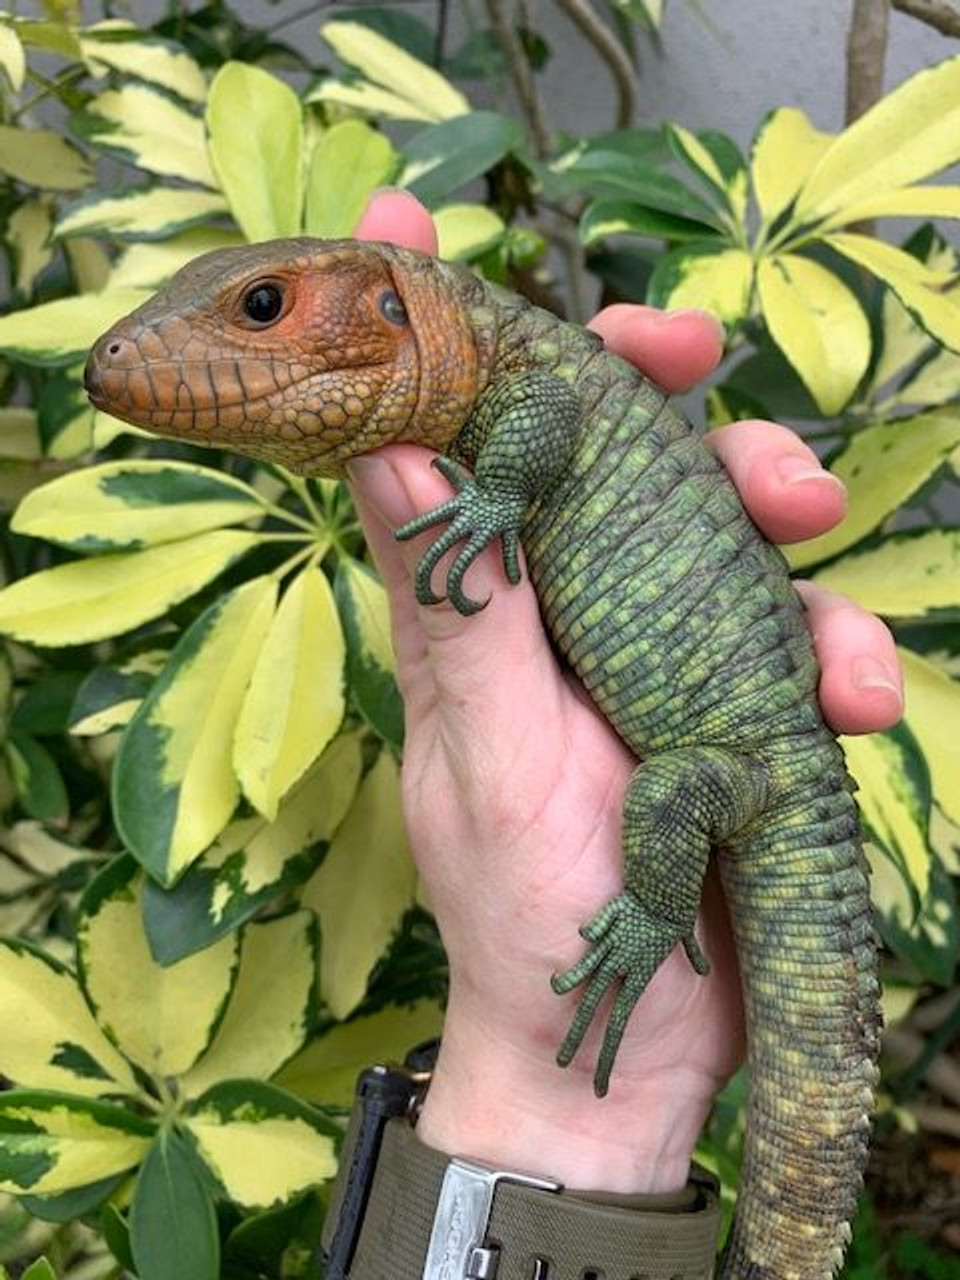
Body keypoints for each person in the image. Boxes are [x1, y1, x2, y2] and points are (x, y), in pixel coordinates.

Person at [347, 190, 903, 1199]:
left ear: (389, 310)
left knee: (671, 794)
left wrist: (653, 913)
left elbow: (550, 412)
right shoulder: (480, 390)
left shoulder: (523, 382)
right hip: (735, 757)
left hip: (742, 775)